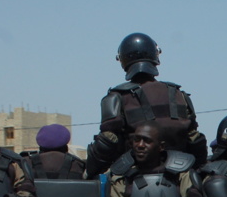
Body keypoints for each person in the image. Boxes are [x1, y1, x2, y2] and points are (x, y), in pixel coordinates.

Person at [86, 32, 207, 177]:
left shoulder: (116, 97)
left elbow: (106, 143)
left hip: (134, 176)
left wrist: (89, 171)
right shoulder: (179, 95)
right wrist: (199, 170)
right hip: (181, 175)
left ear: (123, 60)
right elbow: (195, 139)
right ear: (155, 56)